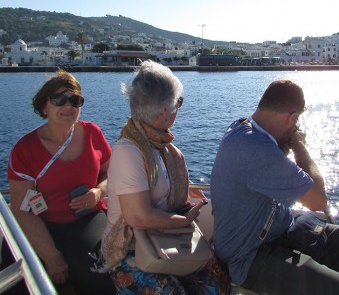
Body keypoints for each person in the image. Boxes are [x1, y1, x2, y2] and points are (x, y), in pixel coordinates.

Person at [211, 80, 339, 295]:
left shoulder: (242, 127)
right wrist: (299, 145)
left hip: (282, 226)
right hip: (250, 254)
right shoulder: (256, 149)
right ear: (291, 117)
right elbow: (317, 200)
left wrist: (283, 146)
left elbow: (268, 166)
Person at [100, 60, 230, 295]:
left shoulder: (159, 145)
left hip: (162, 237)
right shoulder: (129, 151)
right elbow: (138, 218)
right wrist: (184, 219)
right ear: (165, 110)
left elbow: (155, 182)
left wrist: (184, 189)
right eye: (178, 103)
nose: (179, 108)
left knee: (217, 281)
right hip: (130, 248)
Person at [4, 69, 115, 295]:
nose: (68, 106)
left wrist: (98, 191)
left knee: (99, 270)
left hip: (88, 218)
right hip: (42, 222)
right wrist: (52, 257)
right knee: (18, 278)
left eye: (75, 100)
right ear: (44, 107)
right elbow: (22, 210)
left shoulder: (93, 133)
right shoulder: (25, 150)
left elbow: (111, 174)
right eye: (58, 100)